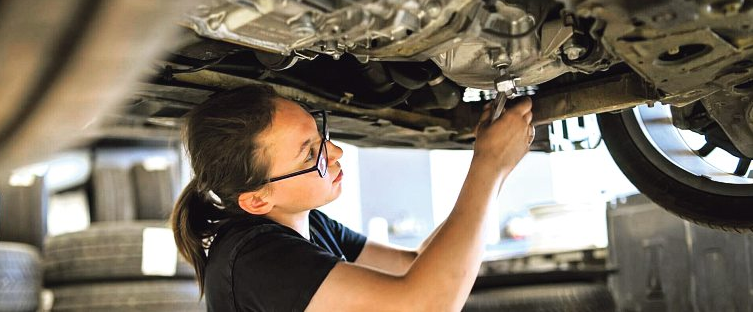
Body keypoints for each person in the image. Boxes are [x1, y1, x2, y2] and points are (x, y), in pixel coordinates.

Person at [170, 84, 534, 312]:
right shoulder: (256, 261)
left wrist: (494, 167)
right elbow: (426, 304)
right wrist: (489, 165)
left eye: (320, 135)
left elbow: (414, 265)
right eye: (309, 154)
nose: (336, 152)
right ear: (257, 199)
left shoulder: (304, 223)